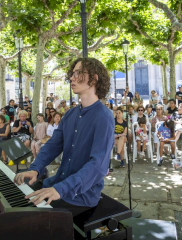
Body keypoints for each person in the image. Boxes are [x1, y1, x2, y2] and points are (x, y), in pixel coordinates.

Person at [14, 57, 114, 209]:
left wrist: (60, 189)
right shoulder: (70, 114)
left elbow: (97, 166)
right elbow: (53, 146)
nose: (72, 78)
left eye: (78, 73)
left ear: (94, 79)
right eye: (72, 74)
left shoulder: (104, 117)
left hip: (80, 197)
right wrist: (35, 168)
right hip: (57, 185)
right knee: (18, 203)